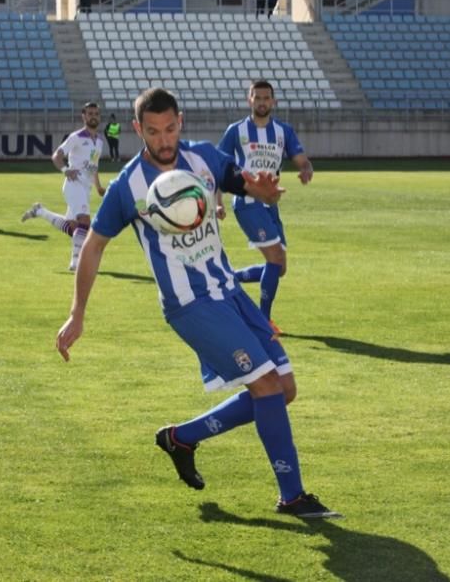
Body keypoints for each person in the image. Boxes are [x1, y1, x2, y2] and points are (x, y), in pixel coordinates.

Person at [55, 88, 340, 519]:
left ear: (180, 122)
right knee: (264, 386)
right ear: (138, 130)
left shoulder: (204, 157)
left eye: (170, 128)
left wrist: (263, 191)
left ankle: (181, 437)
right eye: (153, 132)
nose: (164, 139)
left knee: (283, 390)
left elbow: (242, 182)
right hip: (191, 306)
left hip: (228, 291)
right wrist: (78, 313)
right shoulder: (128, 186)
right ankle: (293, 496)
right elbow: (93, 247)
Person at [217, 80, 313, 335]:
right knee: (274, 259)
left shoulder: (284, 131)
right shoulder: (236, 131)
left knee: (279, 268)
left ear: (273, 101)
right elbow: (218, 169)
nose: (261, 102)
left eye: (265, 98)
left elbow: (303, 160)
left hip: (271, 205)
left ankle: (229, 279)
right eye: (256, 97)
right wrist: (218, 203)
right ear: (249, 100)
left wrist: (305, 170)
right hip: (247, 203)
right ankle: (263, 322)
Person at [20, 102, 106, 270]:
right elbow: (56, 156)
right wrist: (66, 169)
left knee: (73, 228)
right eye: (90, 113)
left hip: (85, 188)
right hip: (74, 185)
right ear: (84, 116)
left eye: (96, 113)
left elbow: (93, 166)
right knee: (85, 221)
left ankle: (40, 211)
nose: (93, 116)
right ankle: (75, 262)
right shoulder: (76, 137)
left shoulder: (100, 141)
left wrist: (98, 186)